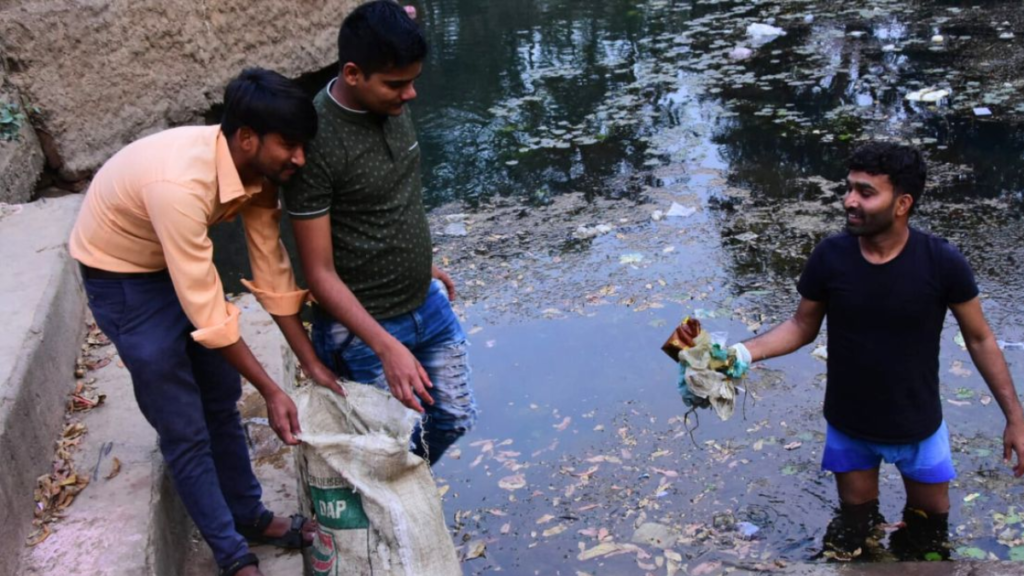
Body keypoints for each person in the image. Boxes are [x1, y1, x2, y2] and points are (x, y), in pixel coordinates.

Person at [69, 68, 345, 576]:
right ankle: (233, 556)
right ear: (246, 137)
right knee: (183, 424)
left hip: (170, 257)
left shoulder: (258, 172)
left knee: (220, 396)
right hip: (122, 276)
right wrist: (271, 390)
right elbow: (211, 317)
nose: (300, 159)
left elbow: (272, 269)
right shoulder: (180, 185)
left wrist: (309, 362)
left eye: (304, 145)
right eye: (290, 144)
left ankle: (250, 516)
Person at [733, 141, 1024, 559]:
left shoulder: (942, 262)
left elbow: (980, 339)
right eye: (849, 188)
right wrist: (743, 353)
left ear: (902, 202)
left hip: (919, 425)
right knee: (856, 527)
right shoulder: (831, 257)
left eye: (866, 192)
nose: (850, 201)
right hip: (851, 425)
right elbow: (801, 325)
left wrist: (1015, 418)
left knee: (929, 533)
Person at [284, 0, 477, 465]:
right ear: (353, 74)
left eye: (412, 81)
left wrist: (420, 262)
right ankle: (393, 514)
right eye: (397, 84)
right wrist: (384, 346)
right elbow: (318, 273)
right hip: (365, 327)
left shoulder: (391, 104)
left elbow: (393, 197)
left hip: (423, 299)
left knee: (453, 416)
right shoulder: (314, 141)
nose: (410, 94)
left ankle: (409, 499)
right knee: (384, 448)